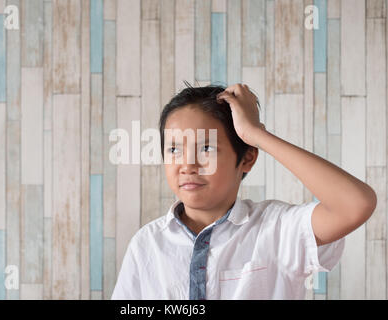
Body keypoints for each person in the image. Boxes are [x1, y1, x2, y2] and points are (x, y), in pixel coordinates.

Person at [111, 82, 377, 299]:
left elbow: (355, 204)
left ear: (247, 158)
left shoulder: (277, 230)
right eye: (174, 149)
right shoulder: (147, 244)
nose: (187, 165)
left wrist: (256, 133)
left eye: (206, 148)